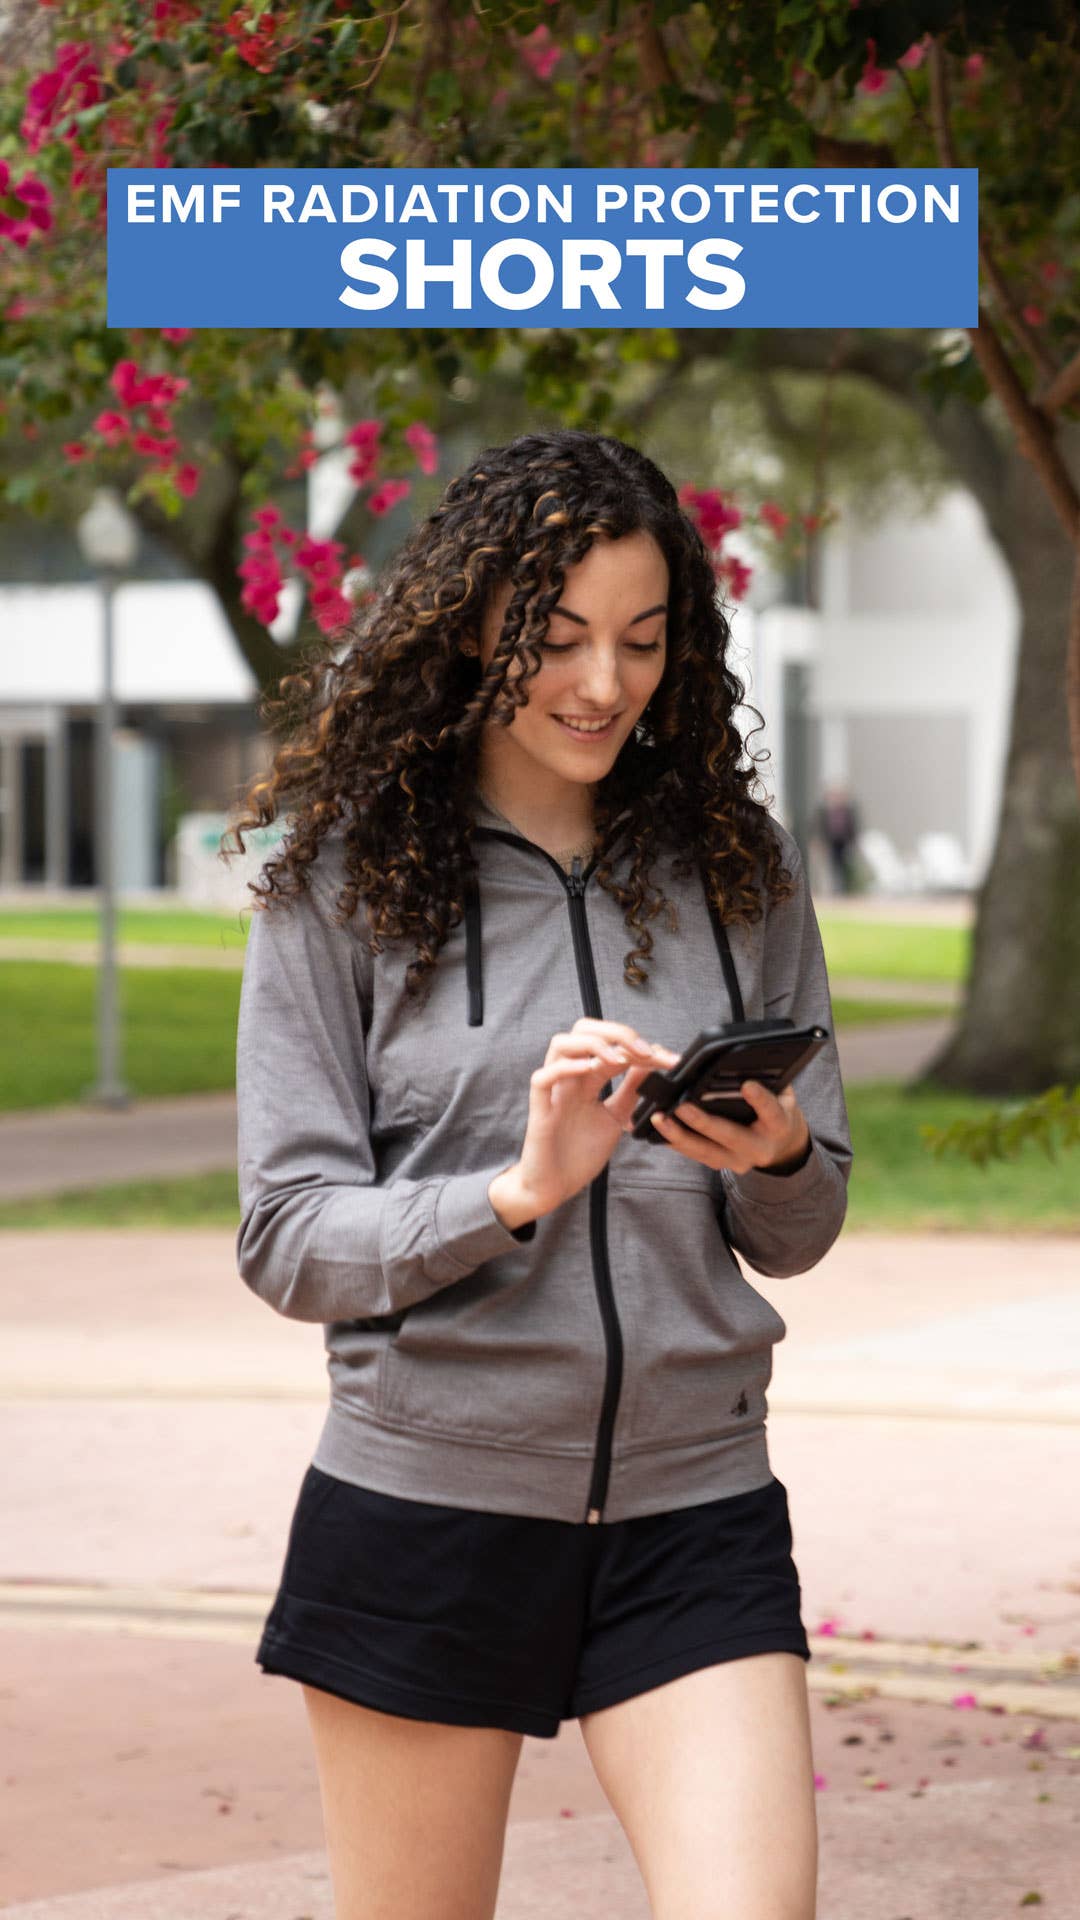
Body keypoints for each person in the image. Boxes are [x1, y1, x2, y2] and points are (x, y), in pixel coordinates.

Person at [228, 427, 852, 1920]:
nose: (602, 684)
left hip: (693, 1511)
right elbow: (288, 1233)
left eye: (642, 641)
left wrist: (772, 1156)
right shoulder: (338, 884)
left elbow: (808, 1222)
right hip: (427, 1515)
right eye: (556, 637)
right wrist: (516, 1189)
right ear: (472, 629)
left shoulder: (739, 871)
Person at [814, 781, 861, 895]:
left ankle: (845, 891)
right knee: (831, 867)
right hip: (830, 842)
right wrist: (818, 842)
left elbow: (853, 827)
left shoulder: (849, 810)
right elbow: (819, 827)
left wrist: (855, 842)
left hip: (844, 842)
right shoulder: (823, 811)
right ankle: (832, 892)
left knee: (844, 867)